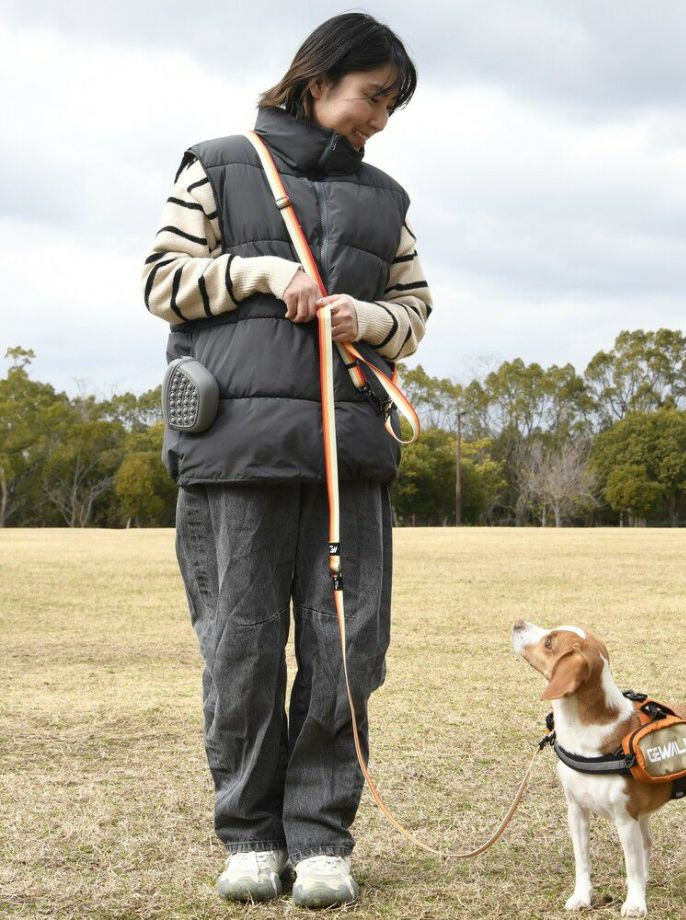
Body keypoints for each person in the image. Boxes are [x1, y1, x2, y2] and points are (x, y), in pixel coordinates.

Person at [141, 13, 431, 908]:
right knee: (242, 649)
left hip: (350, 461)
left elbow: (414, 313)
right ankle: (251, 835)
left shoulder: (388, 200)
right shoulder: (218, 162)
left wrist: (365, 318)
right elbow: (162, 283)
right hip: (236, 456)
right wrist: (264, 274)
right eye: (371, 97)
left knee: (350, 651)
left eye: (392, 106)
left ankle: (322, 838)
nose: (378, 119)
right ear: (318, 81)